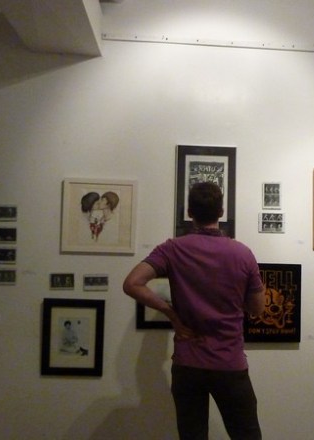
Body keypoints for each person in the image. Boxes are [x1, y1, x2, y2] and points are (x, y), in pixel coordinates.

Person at [123, 181, 266, 440]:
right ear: (221, 212)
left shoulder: (172, 248)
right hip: (229, 363)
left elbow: (132, 283)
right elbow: (257, 309)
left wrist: (171, 313)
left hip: (188, 364)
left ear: (190, 212)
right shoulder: (243, 254)